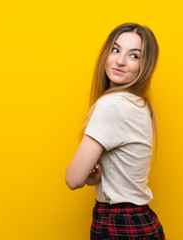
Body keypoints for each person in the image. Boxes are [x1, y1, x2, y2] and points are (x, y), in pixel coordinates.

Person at [65, 22, 165, 240]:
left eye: (134, 56)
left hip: (119, 225)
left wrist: (85, 176)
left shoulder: (113, 105)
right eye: (116, 49)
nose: (120, 61)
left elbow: (73, 179)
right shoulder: (139, 104)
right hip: (141, 222)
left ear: (145, 65)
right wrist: (95, 178)